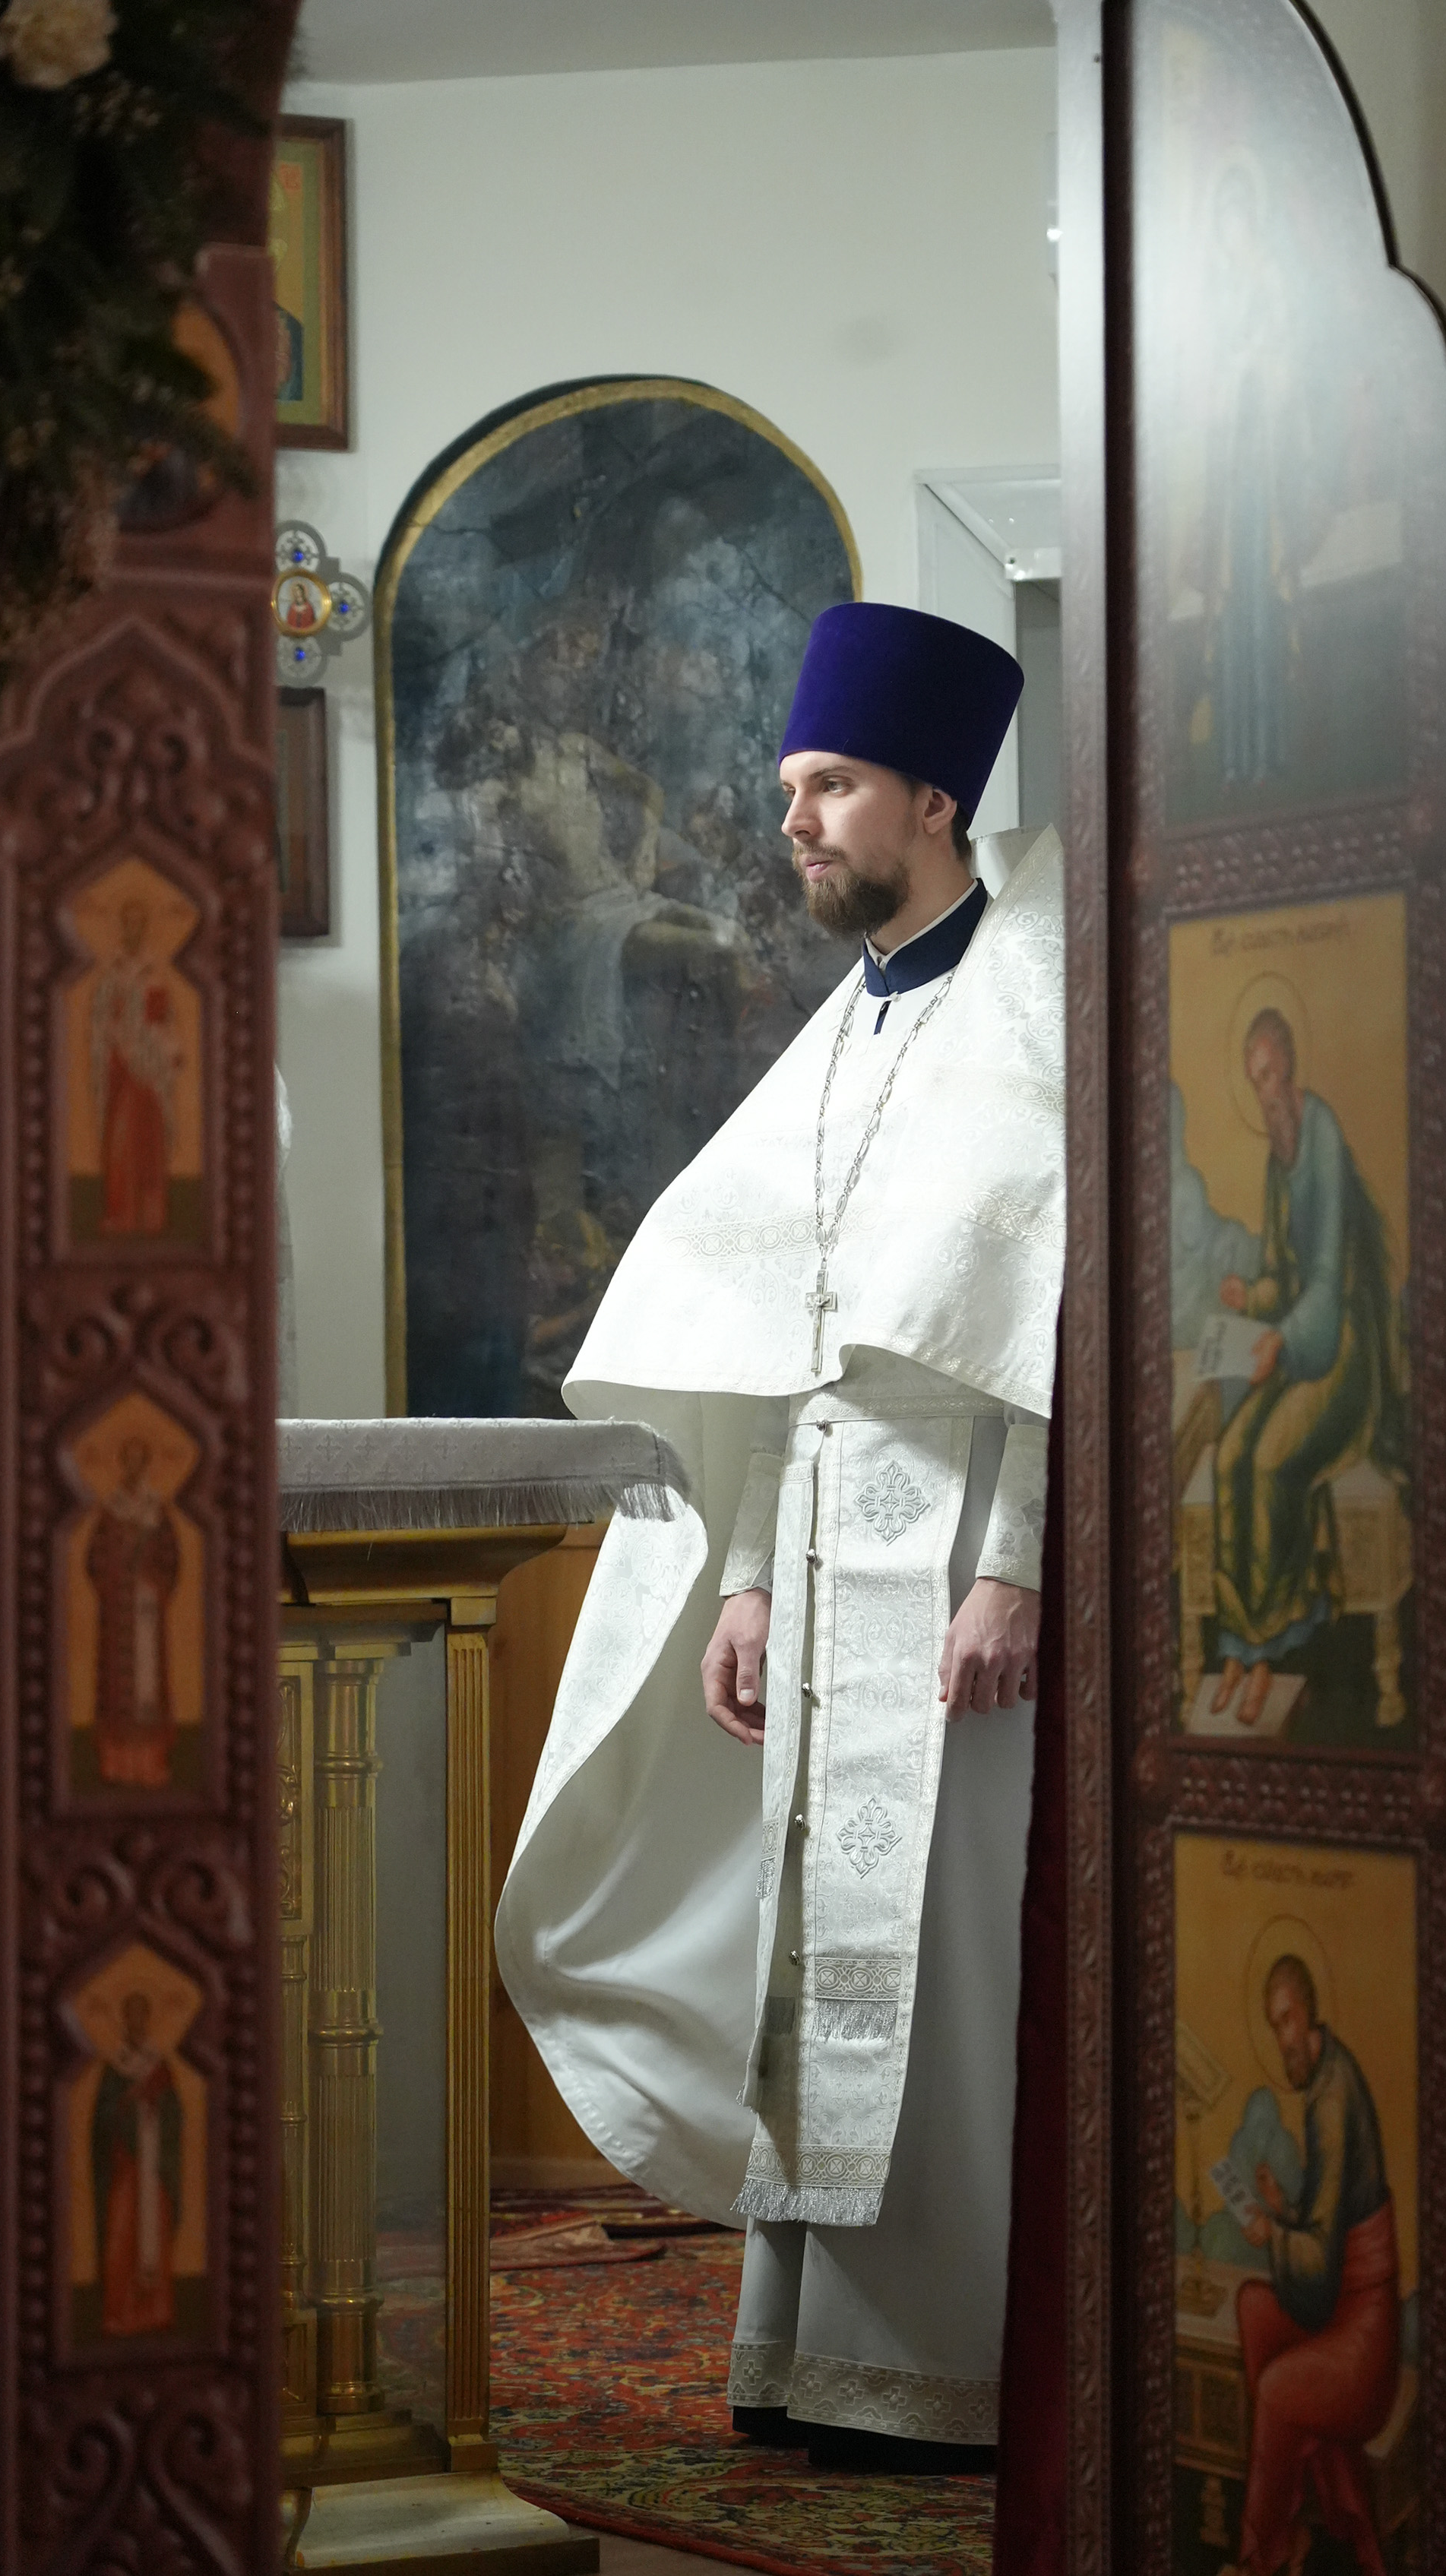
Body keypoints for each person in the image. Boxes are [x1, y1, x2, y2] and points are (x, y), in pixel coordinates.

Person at [495, 600, 1064, 2468]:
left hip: (957, 1549)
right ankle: (807, 2348)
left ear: (929, 797)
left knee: (948, 1960)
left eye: (825, 788)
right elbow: (778, 1339)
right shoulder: (847, 1020)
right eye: (789, 790)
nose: (792, 824)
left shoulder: (1037, 1006)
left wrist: (1015, 1566)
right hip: (817, 1543)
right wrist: (742, 1581)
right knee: (808, 1953)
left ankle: (949, 2368)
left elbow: (1057, 1318)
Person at [1210, 1007, 1401, 1726]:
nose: (1264, 1092)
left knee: (1268, 1462)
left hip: (1342, 1354)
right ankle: (1236, 1648)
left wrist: (1282, 1343)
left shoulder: (1320, 1134)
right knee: (1231, 1454)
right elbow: (1282, 1277)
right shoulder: (1278, 1157)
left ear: (1288, 1065)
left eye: (1268, 1075)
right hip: (1297, 1347)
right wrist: (1251, 1296)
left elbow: (1325, 1279)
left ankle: (1270, 1653)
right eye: (1253, 1080)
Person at [1226, 1956, 1400, 2576]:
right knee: (1253, 2307)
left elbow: (1324, 2262)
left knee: (1276, 2391)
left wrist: (1272, 2232)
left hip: (1364, 2333)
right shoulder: (1328, 2076)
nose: (1282, 2041)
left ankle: (1263, 2553)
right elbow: (1330, 2219)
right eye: (1273, 2026)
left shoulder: (1331, 2097)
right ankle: (1294, 2526)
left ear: (1307, 2013)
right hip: (1340, 2305)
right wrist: (1283, 2209)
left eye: (1286, 2022)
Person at [87, 1435, 179, 1788]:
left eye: (141, 1461)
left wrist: (152, 1581)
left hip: (147, 1610)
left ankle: (151, 1763)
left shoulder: (157, 1511)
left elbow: (171, 1559)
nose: (134, 1468)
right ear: (124, 1464)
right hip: (117, 1612)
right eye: (130, 1461)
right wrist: (115, 1580)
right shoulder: (111, 1510)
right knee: (117, 1684)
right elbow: (94, 1559)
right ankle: (115, 1764)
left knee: (147, 1685)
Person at [93, 1991, 183, 2337]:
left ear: (147, 2020)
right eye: (129, 2014)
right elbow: (101, 2120)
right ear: (124, 2020)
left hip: (155, 2166)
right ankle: (120, 2314)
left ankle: (157, 2312)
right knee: (121, 2235)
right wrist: (126, 2105)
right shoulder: (114, 2068)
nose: (135, 2021)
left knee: (156, 2234)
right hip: (125, 2167)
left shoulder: (159, 2066)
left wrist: (155, 2105)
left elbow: (175, 2115)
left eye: (140, 2014)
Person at [90, 896, 178, 1237]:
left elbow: (163, 1018)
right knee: (120, 1144)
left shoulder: (153, 972)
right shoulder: (111, 973)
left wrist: (162, 1049)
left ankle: (152, 1216)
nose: (133, 929)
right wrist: (115, 1038)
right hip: (120, 1070)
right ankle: (121, 1215)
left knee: (149, 1143)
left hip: (149, 1070)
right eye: (127, 922)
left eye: (138, 923)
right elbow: (101, 1019)